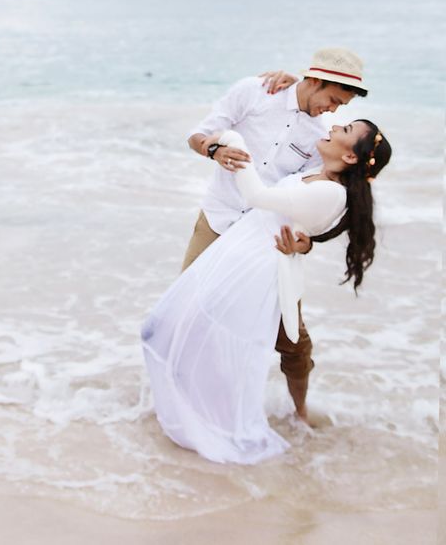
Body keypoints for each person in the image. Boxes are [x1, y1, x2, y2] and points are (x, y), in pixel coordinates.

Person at [141, 120, 391, 465]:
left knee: (238, 339)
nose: (334, 125)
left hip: (254, 267)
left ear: (350, 155)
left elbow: (257, 196)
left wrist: (231, 139)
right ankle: (189, 404)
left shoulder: (332, 192)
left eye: (345, 129)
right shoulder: (320, 175)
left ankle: (227, 416)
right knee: (174, 325)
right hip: (238, 253)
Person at [183, 47, 368, 422]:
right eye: (332, 100)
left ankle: (299, 411)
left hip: (267, 243)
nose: (332, 111)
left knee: (292, 341)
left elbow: (329, 202)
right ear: (314, 81)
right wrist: (213, 149)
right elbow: (198, 135)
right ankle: (193, 402)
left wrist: (308, 243)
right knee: (189, 314)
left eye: (340, 107)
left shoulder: (320, 139)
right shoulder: (253, 92)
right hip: (218, 221)